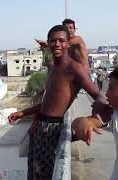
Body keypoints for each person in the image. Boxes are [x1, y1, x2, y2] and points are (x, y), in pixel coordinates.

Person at [8, 25, 106, 180]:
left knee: (44, 174)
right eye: (53, 41)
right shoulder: (54, 67)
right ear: (48, 43)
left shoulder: (74, 69)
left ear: (69, 43)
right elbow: (50, 103)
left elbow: (100, 97)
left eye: (61, 40)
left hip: (51, 131)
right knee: (34, 174)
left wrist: (93, 120)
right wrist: (23, 113)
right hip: (39, 127)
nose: (57, 44)